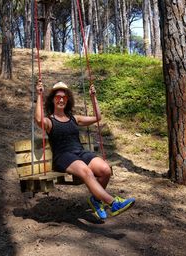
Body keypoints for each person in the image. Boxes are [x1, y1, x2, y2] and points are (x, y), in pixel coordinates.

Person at [35, 80, 135, 220]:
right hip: (63, 157)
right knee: (86, 171)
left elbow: (98, 118)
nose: (61, 99)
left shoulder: (74, 118)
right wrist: (39, 95)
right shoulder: (49, 121)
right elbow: (39, 120)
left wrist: (93, 98)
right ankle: (113, 203)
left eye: (64, 97)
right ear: (52, 100)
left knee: (105, 169)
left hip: (80, 153)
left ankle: (95, 200)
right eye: (58, 97)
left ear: (68, 100)